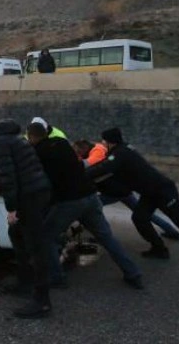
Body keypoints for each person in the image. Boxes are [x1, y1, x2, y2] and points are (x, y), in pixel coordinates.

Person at [27, 123, 143, 290]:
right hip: (90, 196)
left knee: (46, 237)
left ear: (31, 137)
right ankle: (133, 273)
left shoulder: (38, 152)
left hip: (69, 201)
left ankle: (57, 278)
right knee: (107, 238)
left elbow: (42, 181)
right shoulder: (62, 143)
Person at [86, 128, 179, 262]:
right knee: (139, 218)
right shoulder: (121, 151)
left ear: (110, 141)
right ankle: (159, 249)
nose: (102, 143)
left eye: (104, 140)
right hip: (150, 193)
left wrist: (80, 173)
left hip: (163, 191)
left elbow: (103, 168)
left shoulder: (120, 153)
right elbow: (103, 166)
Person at [0, 117, 52, 319]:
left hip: (29, 197)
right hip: (39, 191)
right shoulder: (14, 137)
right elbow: (14, 165)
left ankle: (42, 301)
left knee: (35, 245)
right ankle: (25, 282)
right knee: (17, 234)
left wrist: (11, 208)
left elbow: (8, 176)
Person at [72, 139, 179, 241]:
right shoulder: (97, 150)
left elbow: (89, 167)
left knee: (93, 209)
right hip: (123, 189)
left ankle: (104, 236)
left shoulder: (97, 152)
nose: (77, 154)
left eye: (78, 151)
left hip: (114, 191)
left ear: (84, 149)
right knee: (145, 213)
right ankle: (171, 231)